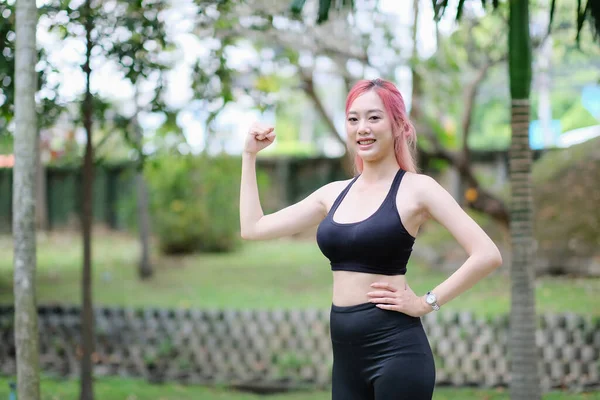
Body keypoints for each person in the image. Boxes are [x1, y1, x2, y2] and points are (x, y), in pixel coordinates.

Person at [239, 78, 503, 400]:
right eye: (354, 119)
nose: (362, 127)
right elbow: (253, 227)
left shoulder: (418, 189)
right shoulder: (332, 194)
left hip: (398, 354)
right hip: (347, 360)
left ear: (399, 126)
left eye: (374, 117)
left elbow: (486, 254)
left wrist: (425, 302)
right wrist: (249, 156)